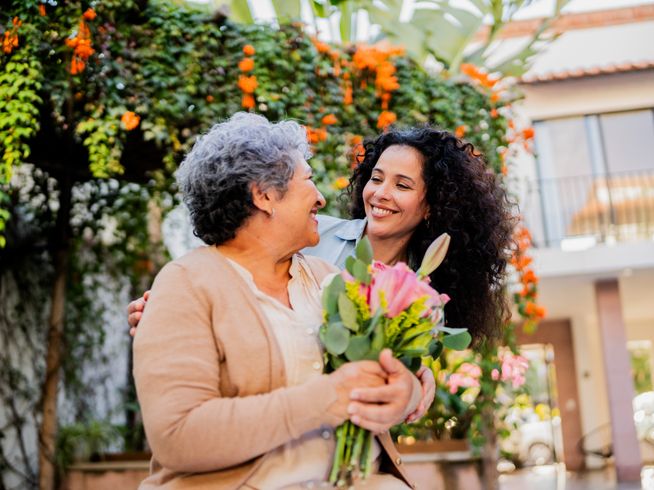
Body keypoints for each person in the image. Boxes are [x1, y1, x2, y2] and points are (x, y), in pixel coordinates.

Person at [132, 112, 420, 489]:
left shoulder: (325, 279)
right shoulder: (186, 284)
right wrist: (326, 399)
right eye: (309, 181)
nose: (320, 198)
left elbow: (396, 370)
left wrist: (405, 392)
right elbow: (177, 436)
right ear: (264, 195)